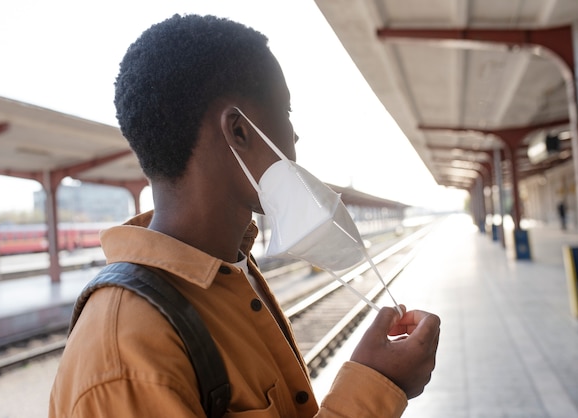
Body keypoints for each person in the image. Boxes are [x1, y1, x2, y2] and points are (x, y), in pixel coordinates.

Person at [49, 14, 440, 417]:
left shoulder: (234, 270)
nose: (295, 136)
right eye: (286, 112)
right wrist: (376, 388)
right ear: (239, 131)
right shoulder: (126, 355)